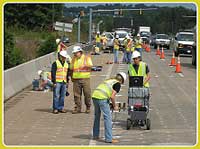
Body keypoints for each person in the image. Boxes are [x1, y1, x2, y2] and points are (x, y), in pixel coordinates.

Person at [92, 72, 127, 143]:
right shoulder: (117, 84)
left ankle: (95, 135)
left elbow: (107, 92)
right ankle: (109, 139)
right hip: (102, 98)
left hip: (95, 96)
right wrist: (115, 106)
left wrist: (109, 103)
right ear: (122, 80)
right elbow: (112, 96)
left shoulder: (109, 80)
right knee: (107, 118)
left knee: (97, 116)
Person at [70, 46, 93, 114]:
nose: (74, 54)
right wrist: (72, 77)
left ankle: (88, 107)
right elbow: (71, 68)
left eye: (76, 53)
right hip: (76, 79)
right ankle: (78, 108)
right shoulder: (73, 59)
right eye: (74, 53)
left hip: (85, 79)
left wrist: (84, 66)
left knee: (87, 93)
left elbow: (90, 65)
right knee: (76, 95)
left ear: (80, 52)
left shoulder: (86, 58)